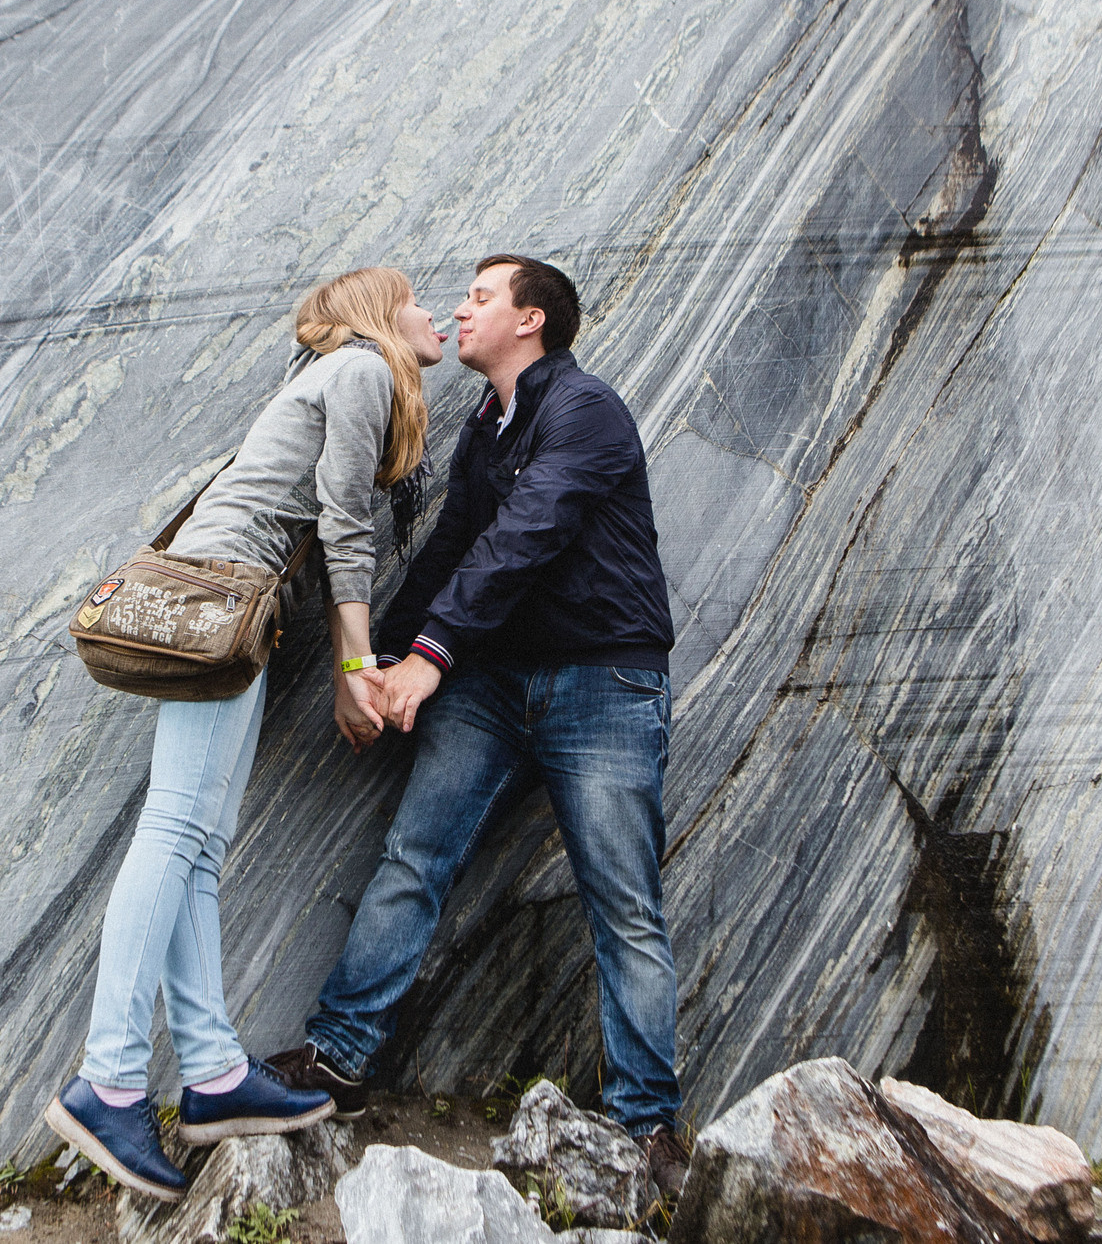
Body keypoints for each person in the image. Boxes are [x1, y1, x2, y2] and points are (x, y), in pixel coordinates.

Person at [266, 254, 690, 1196]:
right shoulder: (485, 436)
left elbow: (525, 534)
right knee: (414, 857)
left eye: (481, 296)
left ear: (531, 320)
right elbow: (456, 543)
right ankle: (338, 1056)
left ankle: (647, 1122)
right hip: (493, 685)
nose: (460, 309)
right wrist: (375, 658)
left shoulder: (586, 410)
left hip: (603, 682)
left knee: (623, 903)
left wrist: (432, 657)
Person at [44, 267, 445, 1204]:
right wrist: (356, 673)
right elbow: (346, 526)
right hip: (224, 596)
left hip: (236, 601)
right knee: (178, 830)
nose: (437, 314)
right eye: (419, 298)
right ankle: (108, 1079)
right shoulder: (360, 371)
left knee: (199, 840)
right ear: (381, 315)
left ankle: (215, 1073)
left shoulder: (339, 374)